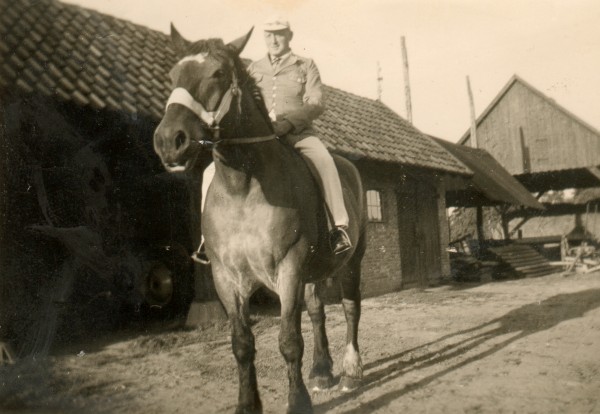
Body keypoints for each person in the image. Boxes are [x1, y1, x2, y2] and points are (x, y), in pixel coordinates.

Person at [194, 17, 352, 263]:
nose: (274, 40)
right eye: (269, 35)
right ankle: (208, 239)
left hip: (299, 134)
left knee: (324, 162)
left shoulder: (305, 65)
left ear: (289, 36)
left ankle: (338, 229)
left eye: (279, 34)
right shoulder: (254, 69)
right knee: (209, 172)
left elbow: (316, 102)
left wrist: (288, 124)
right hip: (262, 139)